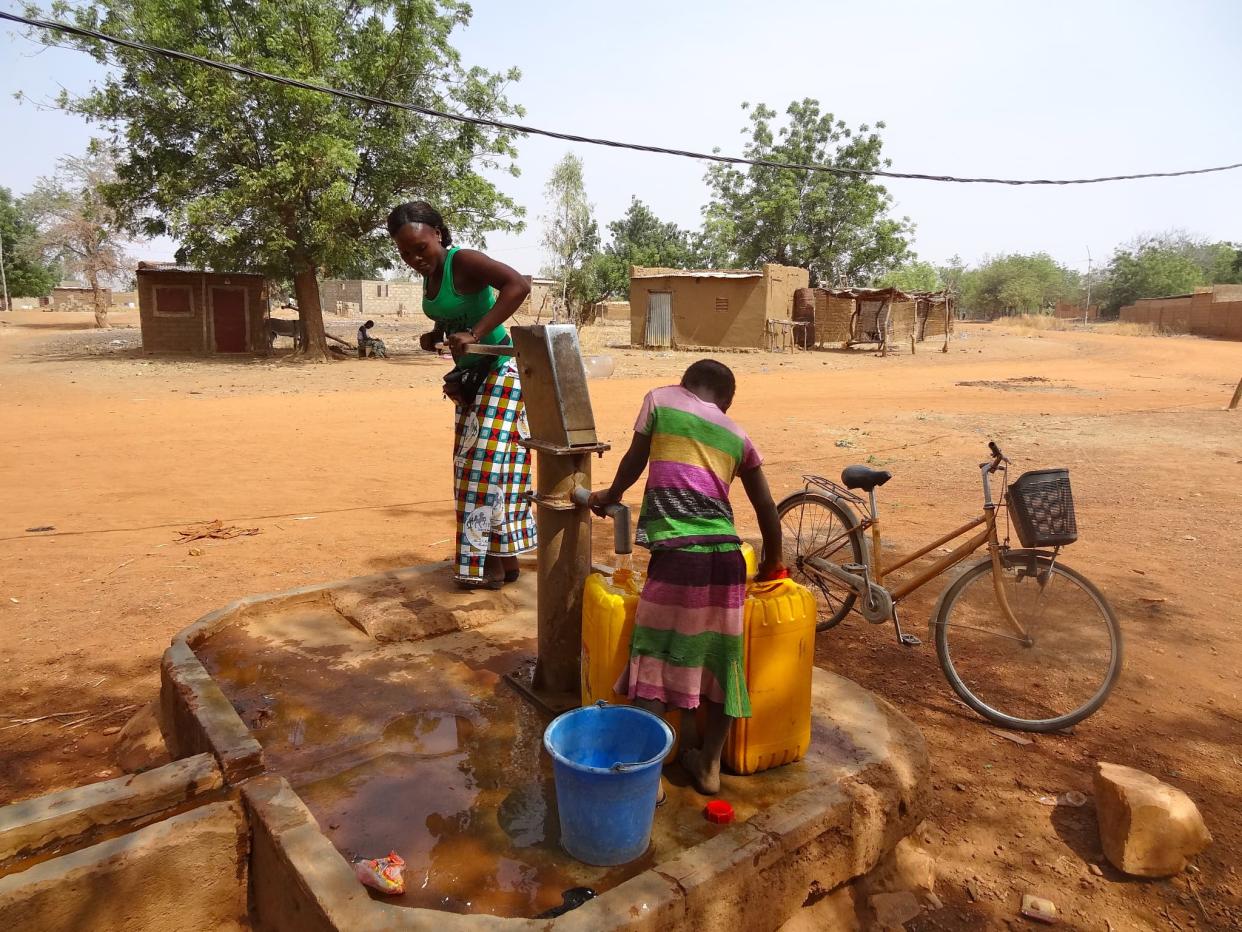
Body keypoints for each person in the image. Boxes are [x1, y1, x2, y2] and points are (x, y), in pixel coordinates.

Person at [589, 360, 783, 795]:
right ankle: (709, 766)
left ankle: (647, 776)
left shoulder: (660, 400)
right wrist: (773, 562)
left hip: (679, 555)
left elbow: (634, 460)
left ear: (685, 384)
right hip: (728, 558)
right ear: (726, 401)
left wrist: (610, 496)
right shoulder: (737, 435)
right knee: (720, 662)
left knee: (655, 660)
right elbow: (768, 508)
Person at [387, 200, 535, 590]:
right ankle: (506, 559)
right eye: (405, 253)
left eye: (420, 248)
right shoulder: (431, 274)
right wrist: (436, 336)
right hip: (470, 379)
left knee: (481, 471)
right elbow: (454, 316)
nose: (415, 258)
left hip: (502, 370)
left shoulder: (463, 261)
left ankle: (483, 563)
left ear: (437, 234)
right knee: (487, 470)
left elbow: (518, 285)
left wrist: (477, 332)